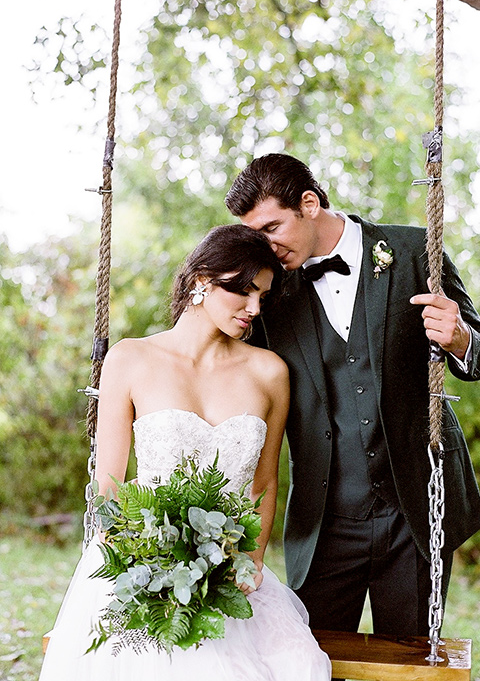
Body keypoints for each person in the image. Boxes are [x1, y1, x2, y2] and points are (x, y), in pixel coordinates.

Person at [39, 224, 331, 681]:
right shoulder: (130, 359)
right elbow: (109, 483)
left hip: (229, 573)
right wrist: (147, 559)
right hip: (139, 565)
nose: (254, 308)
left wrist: (250, 561)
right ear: (202, 279)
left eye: (263, 296)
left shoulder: (269, 372)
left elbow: (264, 481)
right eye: (244, 291)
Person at [225, 152, 480, 638]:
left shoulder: (413, 251)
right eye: (255, 235)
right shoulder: (267, 291)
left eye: (272, 227)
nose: (265, 246)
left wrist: (461, 339)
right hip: (323, 523)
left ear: (309, 203)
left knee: (410, 665)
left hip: (416, 512)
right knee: (310, 662)